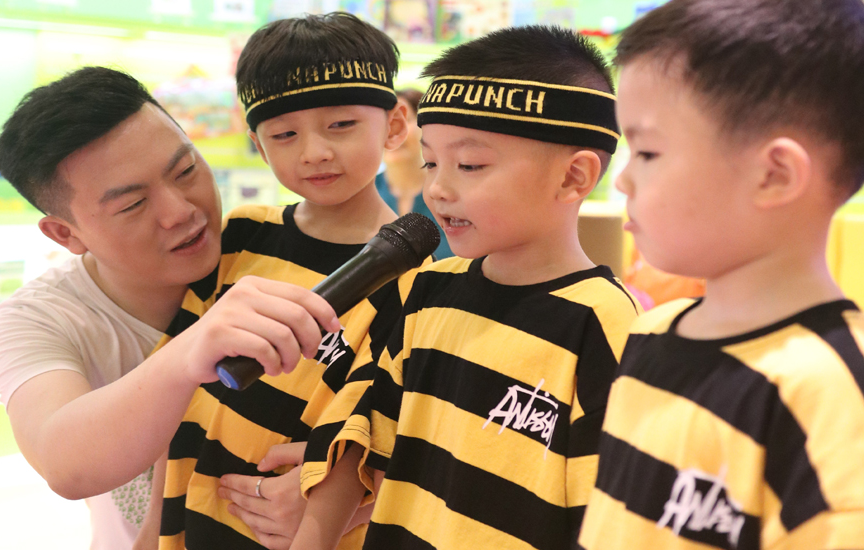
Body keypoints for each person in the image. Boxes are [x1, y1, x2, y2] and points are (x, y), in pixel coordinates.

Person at [290, 25, 641, 550]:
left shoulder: (604, 324)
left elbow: (608, 518)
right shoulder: (426, 289)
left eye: (470, 165)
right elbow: (362, 433)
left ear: (573, 177)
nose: (437, 188)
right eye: (430, 162)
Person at [0, 66, 342, 550]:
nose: (181, 211)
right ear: (65, 233)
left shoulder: (277, 251)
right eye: (132, 204)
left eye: (186, 171)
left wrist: (346, 494)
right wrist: (191, 350)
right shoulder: (40, 320)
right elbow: (64, 465)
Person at [576, 1, 864, 549]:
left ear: (774, 175)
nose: (623, 181)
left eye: (647, 152)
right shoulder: (650, 332)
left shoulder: (831, 395)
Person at [155, 12, 429, 550]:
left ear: (395, 125)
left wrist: (355, 504)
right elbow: (176, 389)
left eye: (341, 125)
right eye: (285, 134)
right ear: (260, 146)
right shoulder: (241, 237)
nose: (315, 152)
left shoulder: (420, 284)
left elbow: (408, 441)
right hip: (193, 521)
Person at [376, 88, 453, 259]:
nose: (391, 131)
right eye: (382, 122)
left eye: (403, 119)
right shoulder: (362, 195)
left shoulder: (453, 192)